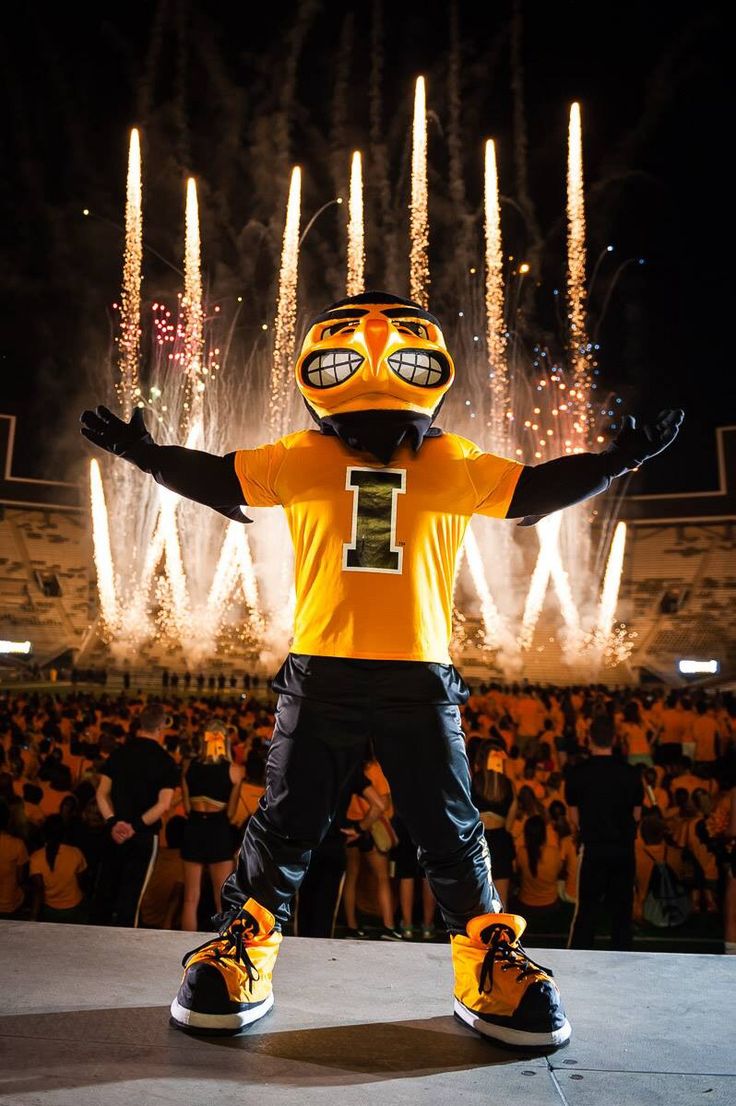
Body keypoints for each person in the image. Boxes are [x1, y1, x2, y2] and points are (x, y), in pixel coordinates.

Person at [82, 289, 683, 1048]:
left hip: (410, 674)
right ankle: (249, 947)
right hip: (330, 670)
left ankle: (483, 961)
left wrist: (619, 460)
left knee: (448, 827)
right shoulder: (309, 457)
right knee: (287, 824)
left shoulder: (447, 460)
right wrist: (145, 455)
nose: (371, 345)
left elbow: (536, 489)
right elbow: (215, 478)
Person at [93, 702, 178, 927]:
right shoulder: (165, 761)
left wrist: (113, 822)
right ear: (161, 727)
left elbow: (101, 794)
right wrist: (135, 826)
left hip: (114, 832)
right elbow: (163, 804)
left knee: (107, 892)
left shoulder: (118, 754)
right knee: (131, 900)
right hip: (143, 836)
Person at [566, 714, 644, 950]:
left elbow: (573, 815)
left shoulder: (578, 773)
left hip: (594, 848)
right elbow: (637, 814)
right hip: (623, 849)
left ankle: (579, 960)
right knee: (622, 911)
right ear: (615, 739)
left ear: (589, 739)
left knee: (587, 911)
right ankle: (623, 959)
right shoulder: (630, 773)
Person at [180, 722, 243, 931]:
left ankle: (184, 950)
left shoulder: (188, 766)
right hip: (218, 830)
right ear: (224, 741)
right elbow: (232, 813)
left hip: (193, 827)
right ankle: (220, 950)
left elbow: (187, 806)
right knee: (221, 898)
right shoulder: (235, 771)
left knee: (190, 898)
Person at [29, 814, 88, 923]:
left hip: (50, 910)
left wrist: (34, 916)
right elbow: (81, 880)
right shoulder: (75, 852)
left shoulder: (36, 858)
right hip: (74, 907)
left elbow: (38, 889)